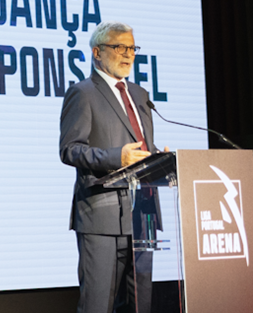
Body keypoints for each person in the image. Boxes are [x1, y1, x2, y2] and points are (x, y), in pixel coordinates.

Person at [59, 21, 168, 313]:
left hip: (143, 215)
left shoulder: (140, 94)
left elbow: (141, 148)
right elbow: (70, 150)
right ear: (97, 52)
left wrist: (161, 159)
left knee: (139, 306)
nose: (128, 54)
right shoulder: (83, 93)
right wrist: (114, 158)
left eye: (132, 47)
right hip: (101, 217)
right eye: (120, 47)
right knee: (98, 306)